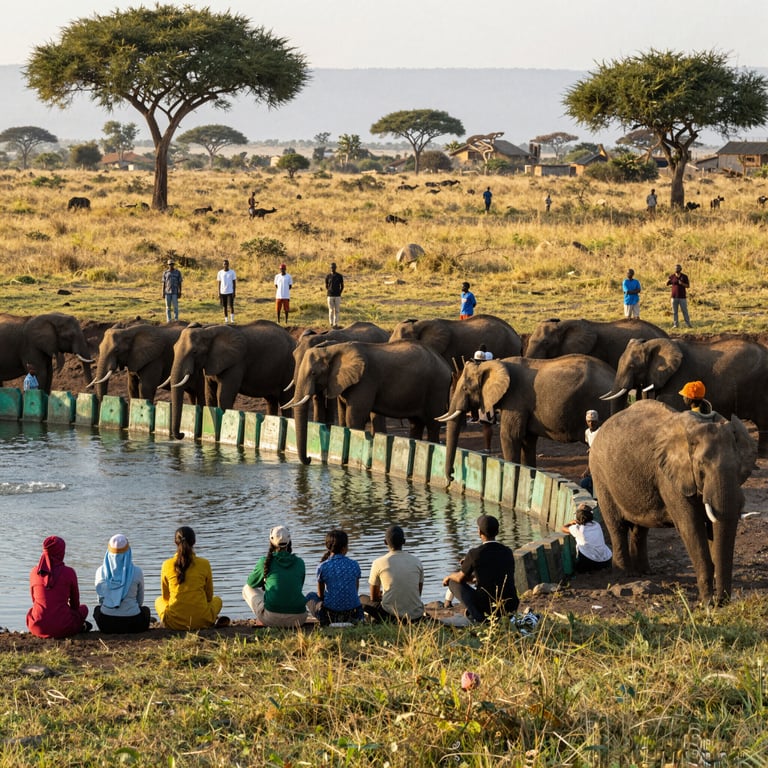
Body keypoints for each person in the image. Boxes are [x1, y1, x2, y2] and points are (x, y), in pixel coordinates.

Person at [442, 514, 519, 623]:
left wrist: (449, 576)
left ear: (479, 532)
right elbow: (495, 575)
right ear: (497, 532)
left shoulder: (474, 554)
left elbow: (459, 578)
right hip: (510, 608)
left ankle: (449, 605)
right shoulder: (508, 552)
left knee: (453, 581)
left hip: (485, 611)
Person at [155, 526, 227, 630]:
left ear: (175, 542)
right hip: (203, 621)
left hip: (174, 623)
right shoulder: (204, 564)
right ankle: (207, 617)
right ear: (194, 542)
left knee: (158, 601)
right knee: (218, 600)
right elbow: (209, 597)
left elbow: (166, 597)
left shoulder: (166, 564)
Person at [243, 525, 308, 627]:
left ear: (271, 542)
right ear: (289, 541)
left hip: (272, 618)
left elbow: (251, 582)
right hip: (299, 619)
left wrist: (265, 580)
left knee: (247, 588)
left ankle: (263, 619)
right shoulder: (300, 562)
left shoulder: (264, 561)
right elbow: (298, 586)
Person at [27, 535, 90, 638]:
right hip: (62, 628)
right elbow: (75, 605)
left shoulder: (34, 572)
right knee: (84, 609)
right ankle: (79, 626)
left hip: (37, 627)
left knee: (33, 610)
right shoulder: (69, 572)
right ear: (61, 552)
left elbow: (34, 600)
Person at [361, 525, 425, 623]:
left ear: (385, 542)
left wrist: (383, 596)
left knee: (361, 599)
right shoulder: (417, 561)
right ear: (404, 541)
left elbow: (373, 597)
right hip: (415, 615)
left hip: (391, 616)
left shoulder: (378, 562)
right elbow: (418, 593)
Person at [93, 533, 151, 634]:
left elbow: (100, 600)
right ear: (128, 551)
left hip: (106, 624)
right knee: (145, 610)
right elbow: (139, 602)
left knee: (97, 610)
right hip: (134, 623)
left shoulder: (100, 571)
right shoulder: (137, 572)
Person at [306, 529, 364, 625]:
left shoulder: (322, 566)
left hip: (330, 616)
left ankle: (325, 621)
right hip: (354, 614)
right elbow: (355, 590)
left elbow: (320, 595)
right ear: (344, 547)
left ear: (328, 547)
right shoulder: (354, 564)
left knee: (310, 596)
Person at [562, 503, 612, 573]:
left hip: (591, 563)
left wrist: (570, 523)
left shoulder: (578, 529)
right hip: (606, 560)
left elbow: (563, 528)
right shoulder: (597, 525)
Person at [473, 346, 495, 452]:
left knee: (487, 425)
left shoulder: (484, 373)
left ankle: (487, 448)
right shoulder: (490, 370)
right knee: (486, 424)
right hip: (486, 400)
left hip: (487, 400)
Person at [579, 409, 600, 495]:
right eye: (589, 421)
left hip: (599, 462)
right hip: (593, 462)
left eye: (593, 422)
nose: (591, 424)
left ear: (597, 421)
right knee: (585, 483)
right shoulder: (587, 432)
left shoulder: (600, 432)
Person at [667, 263, 692, 329]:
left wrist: (682, 283)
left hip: (682, 297)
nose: (676, 269)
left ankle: (688, 324)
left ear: (681, 269)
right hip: (674, 297)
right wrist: (668, 281)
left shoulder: (684, 276)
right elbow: (667, 283)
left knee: (684, 311)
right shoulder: (672, 276)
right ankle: (675, 324)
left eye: (678, 268)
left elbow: (688, 286)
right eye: (675, 268)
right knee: (674, 312)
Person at [162, 257, 183, 322]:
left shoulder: (177, 272)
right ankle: (169, 320)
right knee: (168, 307)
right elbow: (164, 283)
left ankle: (176, 319)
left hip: (175, 292)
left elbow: (180, 282)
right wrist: (163, 292)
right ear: (168, 265)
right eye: (170, 264)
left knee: (175, 307)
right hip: (167, 292)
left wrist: (180, 291)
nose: (171, 265)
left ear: (174, 264)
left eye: (172, 264)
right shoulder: (165, 273)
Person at [217, 259, 237, 324]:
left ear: (228, 265)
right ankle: (226, 320)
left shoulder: (232, 272)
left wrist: (234, 292)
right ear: (223, 265)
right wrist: (219, 292)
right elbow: (219, 283)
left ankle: (232, 320)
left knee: (231, 306)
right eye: (224, 264)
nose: (225, 265)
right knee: (224, 306)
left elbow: (234, 282)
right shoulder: (220, 273)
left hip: (230, 291)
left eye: (227, 264)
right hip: (223, 292)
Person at [325, 262, 344, 328]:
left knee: (337, 310)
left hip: (337, 295)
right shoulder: (328, 276)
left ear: (336, 268)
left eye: (333, 267)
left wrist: (339, 293)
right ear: (330, 268)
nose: (332, 268)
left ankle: (335, 324)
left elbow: (342, 286)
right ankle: (331, 323)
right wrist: (329, 291)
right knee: (331, 310)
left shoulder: (339, 276)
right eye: (331, 267)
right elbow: (326, 285)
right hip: (330, 295)